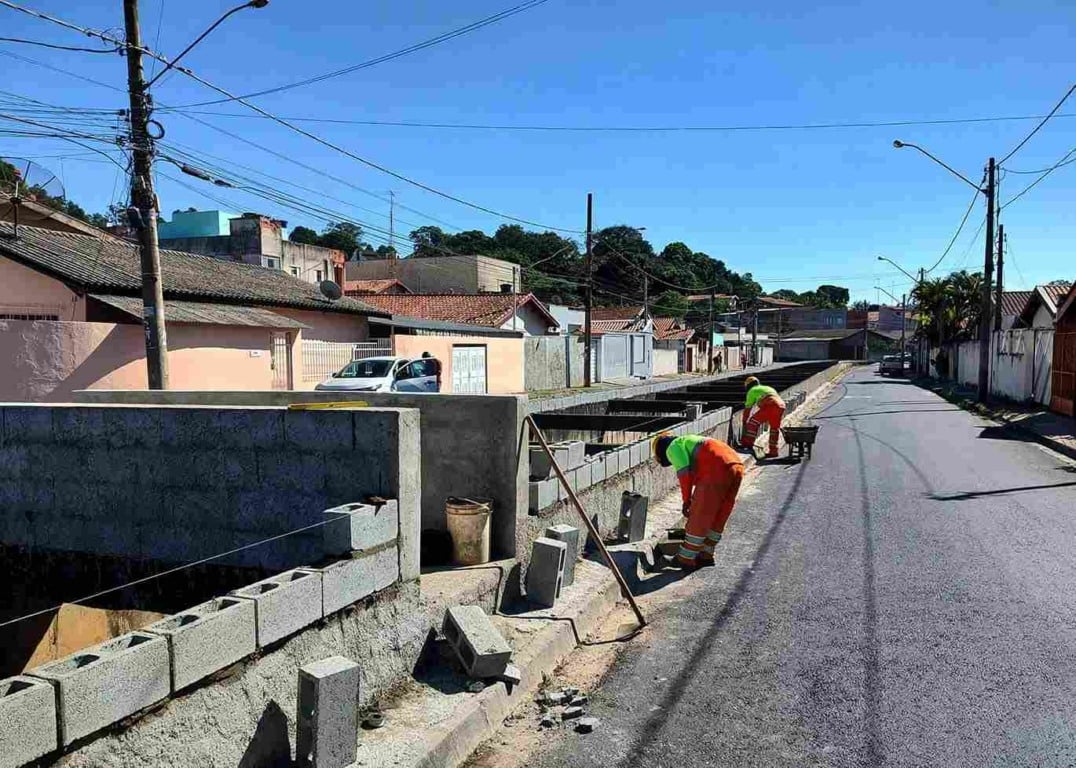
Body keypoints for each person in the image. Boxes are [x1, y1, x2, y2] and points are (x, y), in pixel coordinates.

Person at [652, 433, 745, 569]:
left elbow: (685, 475)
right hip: (736, 466)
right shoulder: (690, 440)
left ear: (661, 450)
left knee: (700, 515)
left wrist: (686, 501)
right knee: (719, 514)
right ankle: (706, 554)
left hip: (716, 468)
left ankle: (685, 558)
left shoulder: (673, 446)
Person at [741, 375, 786, 458]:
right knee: (774, 429)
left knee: (753, 422)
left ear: (748, 386)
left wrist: (744, 421)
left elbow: (748, 408)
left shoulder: (752, 391)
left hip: (771, 405)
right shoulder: (767, 388)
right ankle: (773, 451)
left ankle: (748, 444)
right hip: (781, 406)